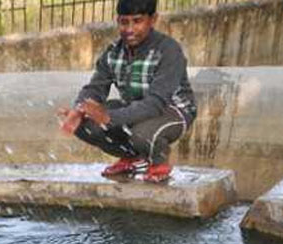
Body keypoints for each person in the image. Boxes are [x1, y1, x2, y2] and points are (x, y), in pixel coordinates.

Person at [58, 0, 197, 183]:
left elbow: (155, 103)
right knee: (85, 126)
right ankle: (132, 158)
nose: (129, 29)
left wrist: (109, 117)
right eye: (124, 22)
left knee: (142, 134)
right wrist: (79, 109)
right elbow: (95, 88)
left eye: (137, 21)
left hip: (172, 110)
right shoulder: (113, 52)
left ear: (153, 19)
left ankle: (159, 162)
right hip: (134, 107)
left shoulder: (168, 50)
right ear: (118, 21)